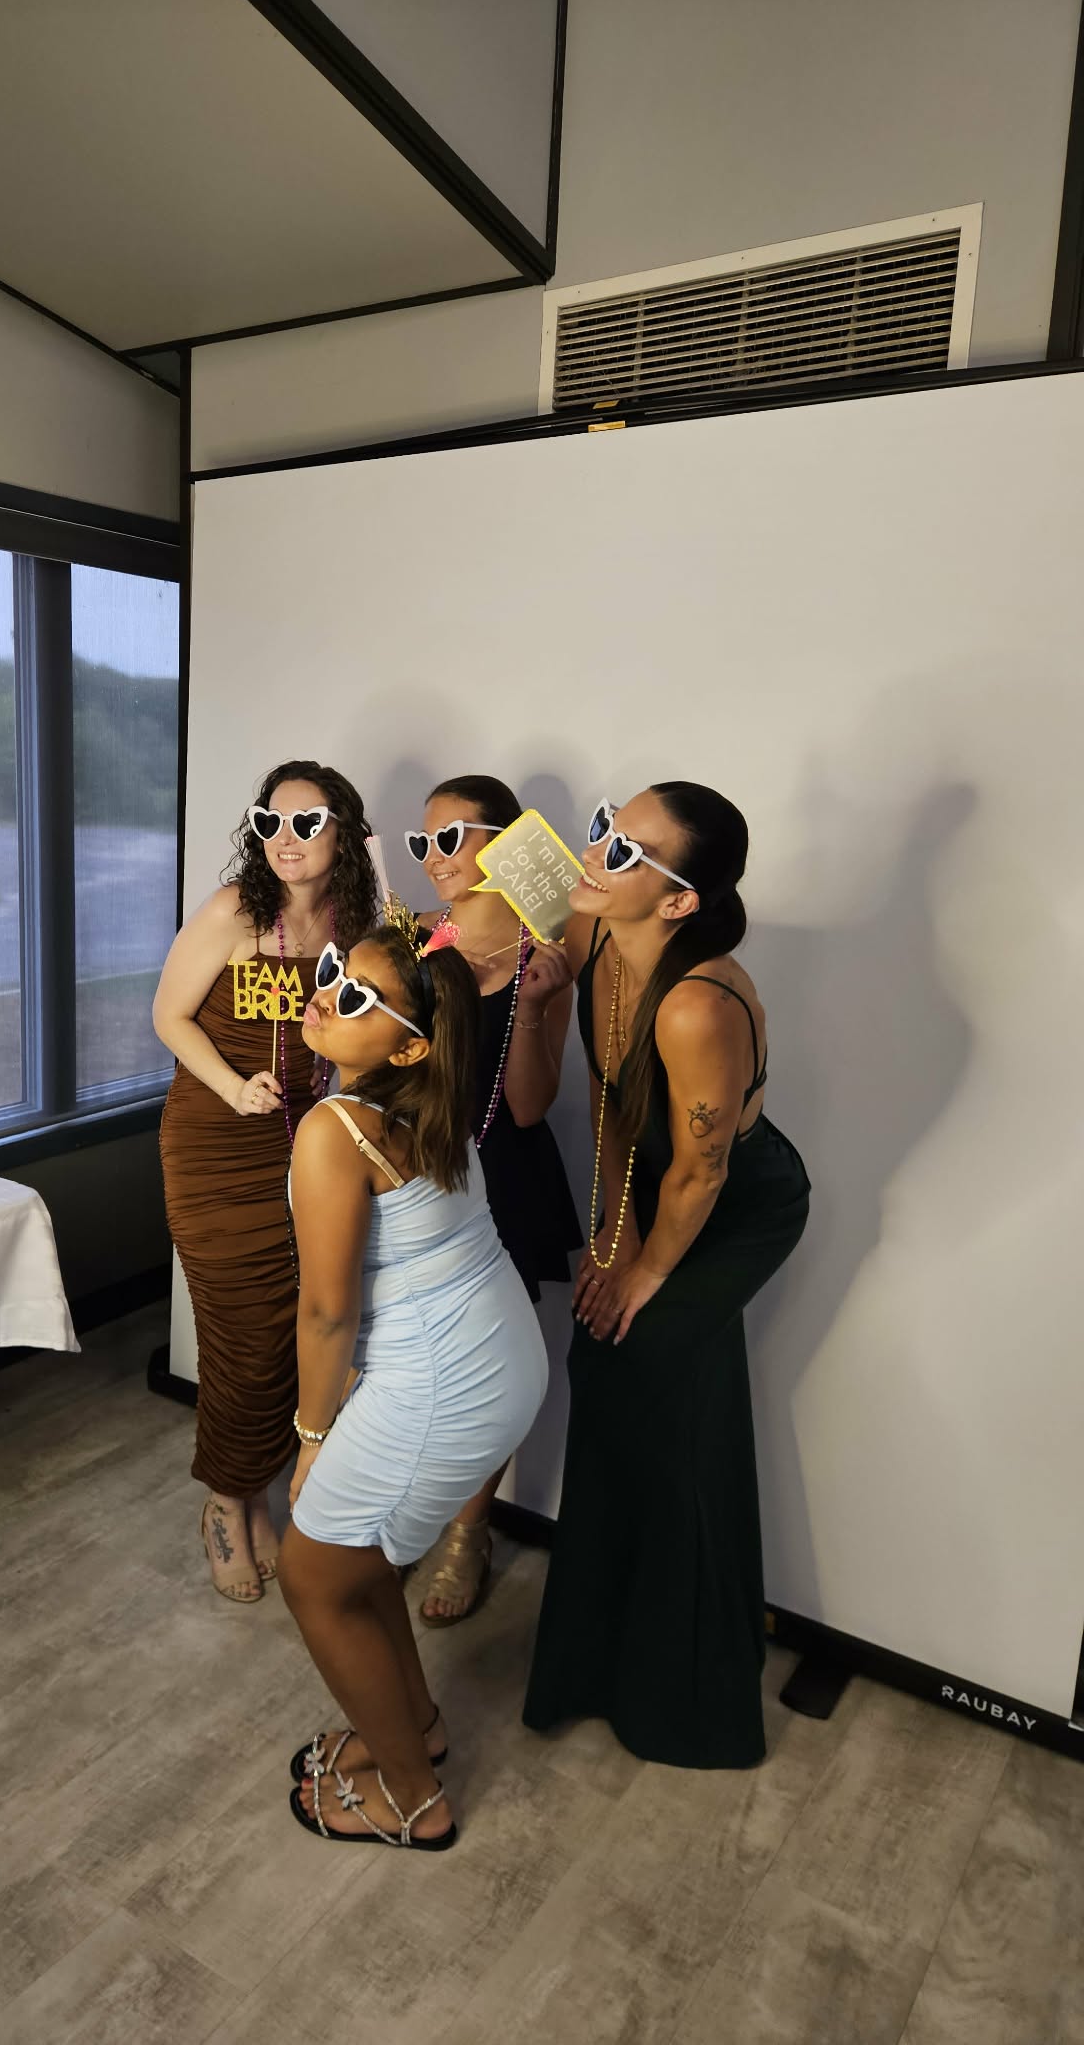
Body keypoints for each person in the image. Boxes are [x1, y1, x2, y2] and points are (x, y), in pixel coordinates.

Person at [523, 784, 810, 1768]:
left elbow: (704, 1166)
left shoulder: (698, 1004)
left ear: (680, 899)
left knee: (654, 1389)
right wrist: (610, 1237)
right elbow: (612, 1106)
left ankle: (687, 1696)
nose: (594, 851)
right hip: (658, 1184)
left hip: (733, 1204)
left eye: (625, 848)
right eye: (604, 823)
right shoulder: (600, 933)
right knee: (608, 1376)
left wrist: (641, 1271)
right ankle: (597, 1659)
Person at [279, 917, 548, 1847]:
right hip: (498, 1354)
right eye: (328, 974)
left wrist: (312, 1441)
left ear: (408, 1042)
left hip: (447, 1376)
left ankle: (411, 1799)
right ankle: (417, 1731)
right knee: (360, 1565)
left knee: (312, 1576)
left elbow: (326, 1316)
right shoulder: (427, 1103)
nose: (321, 995)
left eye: (354, 996)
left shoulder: (333, 1129)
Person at [154, 761, 379, 1603]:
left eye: (308, 822)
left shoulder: (357, 926)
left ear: (345, 833)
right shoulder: (232, 913)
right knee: (239, 1337)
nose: (285, 839)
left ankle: (251, 1489)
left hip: (308, 1153)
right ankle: (225, 1504)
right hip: (216, 1146)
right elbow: (167, 1014)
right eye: (269, 822)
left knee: (299, 1329)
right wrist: (233, 1087)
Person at [406, 774, 585, 1627]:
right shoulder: (420, 947)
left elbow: (525, 1105)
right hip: (424, 1171)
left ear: (505, 842)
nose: (434, 857)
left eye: (452, 838)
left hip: (505, 1177)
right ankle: (409, 1507)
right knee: (411, 1348)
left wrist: (534, 1004)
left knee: (489, 1366)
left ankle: (468, 1533)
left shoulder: (546, 951)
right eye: (423, 842)